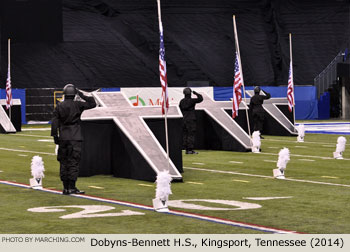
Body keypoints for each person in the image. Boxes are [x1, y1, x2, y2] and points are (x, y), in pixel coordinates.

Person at [51, 84, 96, 195]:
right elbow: (92, 103)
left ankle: (65, 188)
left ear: (64, 94)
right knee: (73, 162)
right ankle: (72, 187)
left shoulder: (59, 106)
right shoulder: (78, 105)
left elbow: (54, 123)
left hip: (63, 136)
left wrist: (55, 137)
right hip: (75, 136)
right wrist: (81, 94)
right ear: (74, 94)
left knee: (63, 162)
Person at [179, 87, 203, 154]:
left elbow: (180, 108)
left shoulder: (182, 101)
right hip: (191, 120)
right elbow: (200, 99)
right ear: (190, 93)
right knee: (191, 134)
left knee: (185, 134)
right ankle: (190, 149)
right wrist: (195, 93)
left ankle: (186, 149)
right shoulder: (191, 101)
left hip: (184, 119)